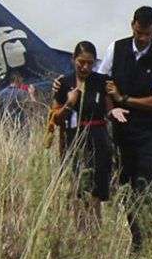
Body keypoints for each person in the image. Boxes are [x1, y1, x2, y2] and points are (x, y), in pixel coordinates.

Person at [97, 6, 152, 252]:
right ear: (132, 24)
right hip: (123, 131)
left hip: (150, 133)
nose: (142, 38)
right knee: (126, 185)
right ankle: (137, 238)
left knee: (145, 185)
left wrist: (124, 99)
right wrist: (112, 109)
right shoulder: (116, 48)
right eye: (139, 32)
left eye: (147, 34)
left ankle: (146, 242)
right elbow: (103, 82)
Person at [52, 41, 128, 222]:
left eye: (90, 63)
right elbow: (55, 118)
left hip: (98, 139)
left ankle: (95, 232)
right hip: (73, 139)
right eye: (81, 62)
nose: (85, 67)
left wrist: (114, 111)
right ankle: (78, 230)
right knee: (76, 188)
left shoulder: (101, 81)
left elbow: (108, 108)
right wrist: (69, 104)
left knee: (95, 189)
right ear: (73, 59)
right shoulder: (63, 83)